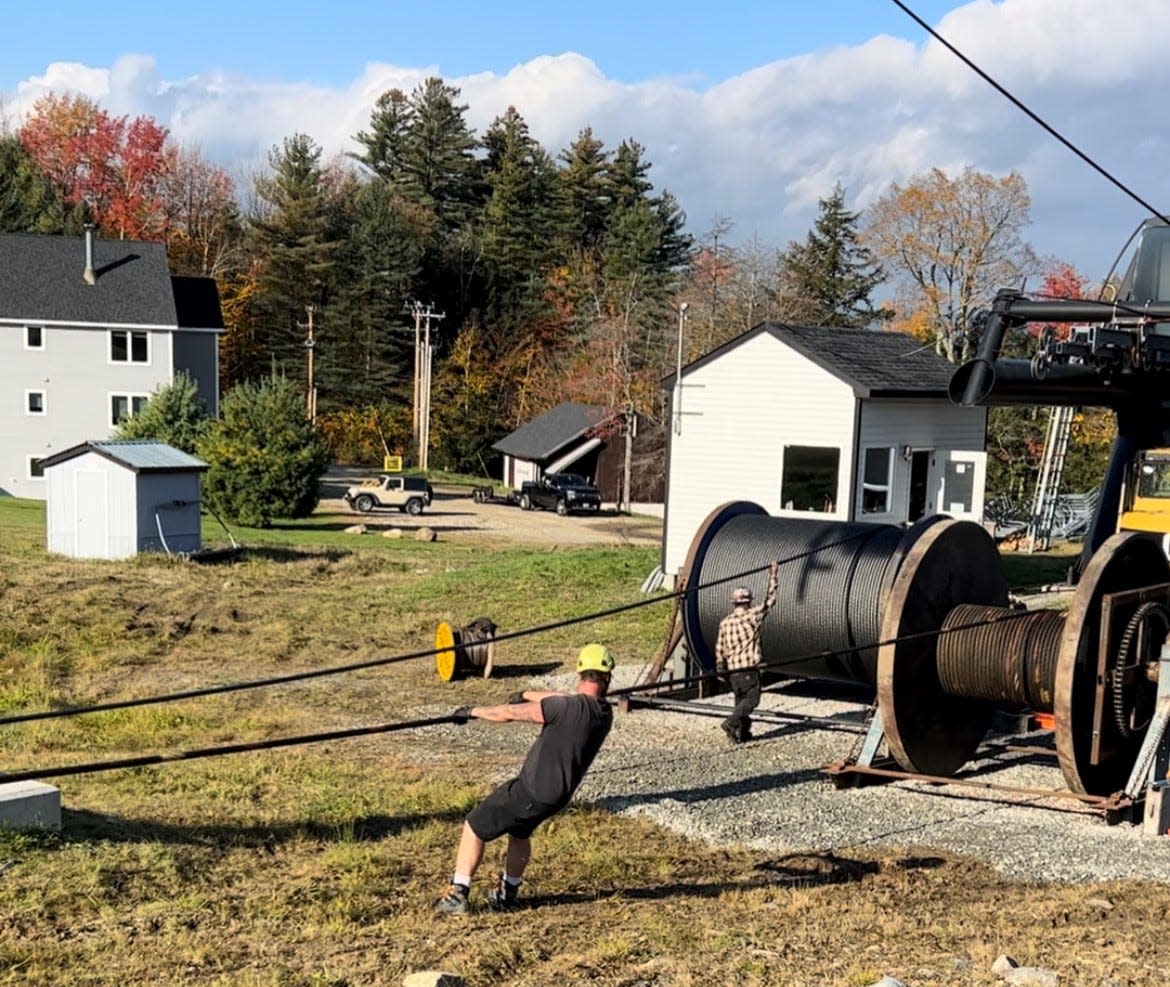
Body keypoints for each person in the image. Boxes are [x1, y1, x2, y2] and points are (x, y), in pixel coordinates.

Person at [435, 643, 615, 914]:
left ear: (580, 674)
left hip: (529, 792)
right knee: (520, 832)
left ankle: (457, 894)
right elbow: (561, 697)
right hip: (557, 798)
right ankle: (508, 895)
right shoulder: (603, 713)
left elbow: (510, 713)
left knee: (474, 825)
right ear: (607, 678)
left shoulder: (565, 708)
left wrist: (472, 711)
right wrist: (525, 693)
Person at [715, 561, 779, 744]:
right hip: (749, 670)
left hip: (734, 672)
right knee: (751, 701)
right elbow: (770, 601)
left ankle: (741, 735)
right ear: (748, 602)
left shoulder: (725, 622)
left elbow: (720, 648)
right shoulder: (753, 616)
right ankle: (731, 723)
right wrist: (773, 576)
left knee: (740, 702)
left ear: (734, 602)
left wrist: (720, 669)